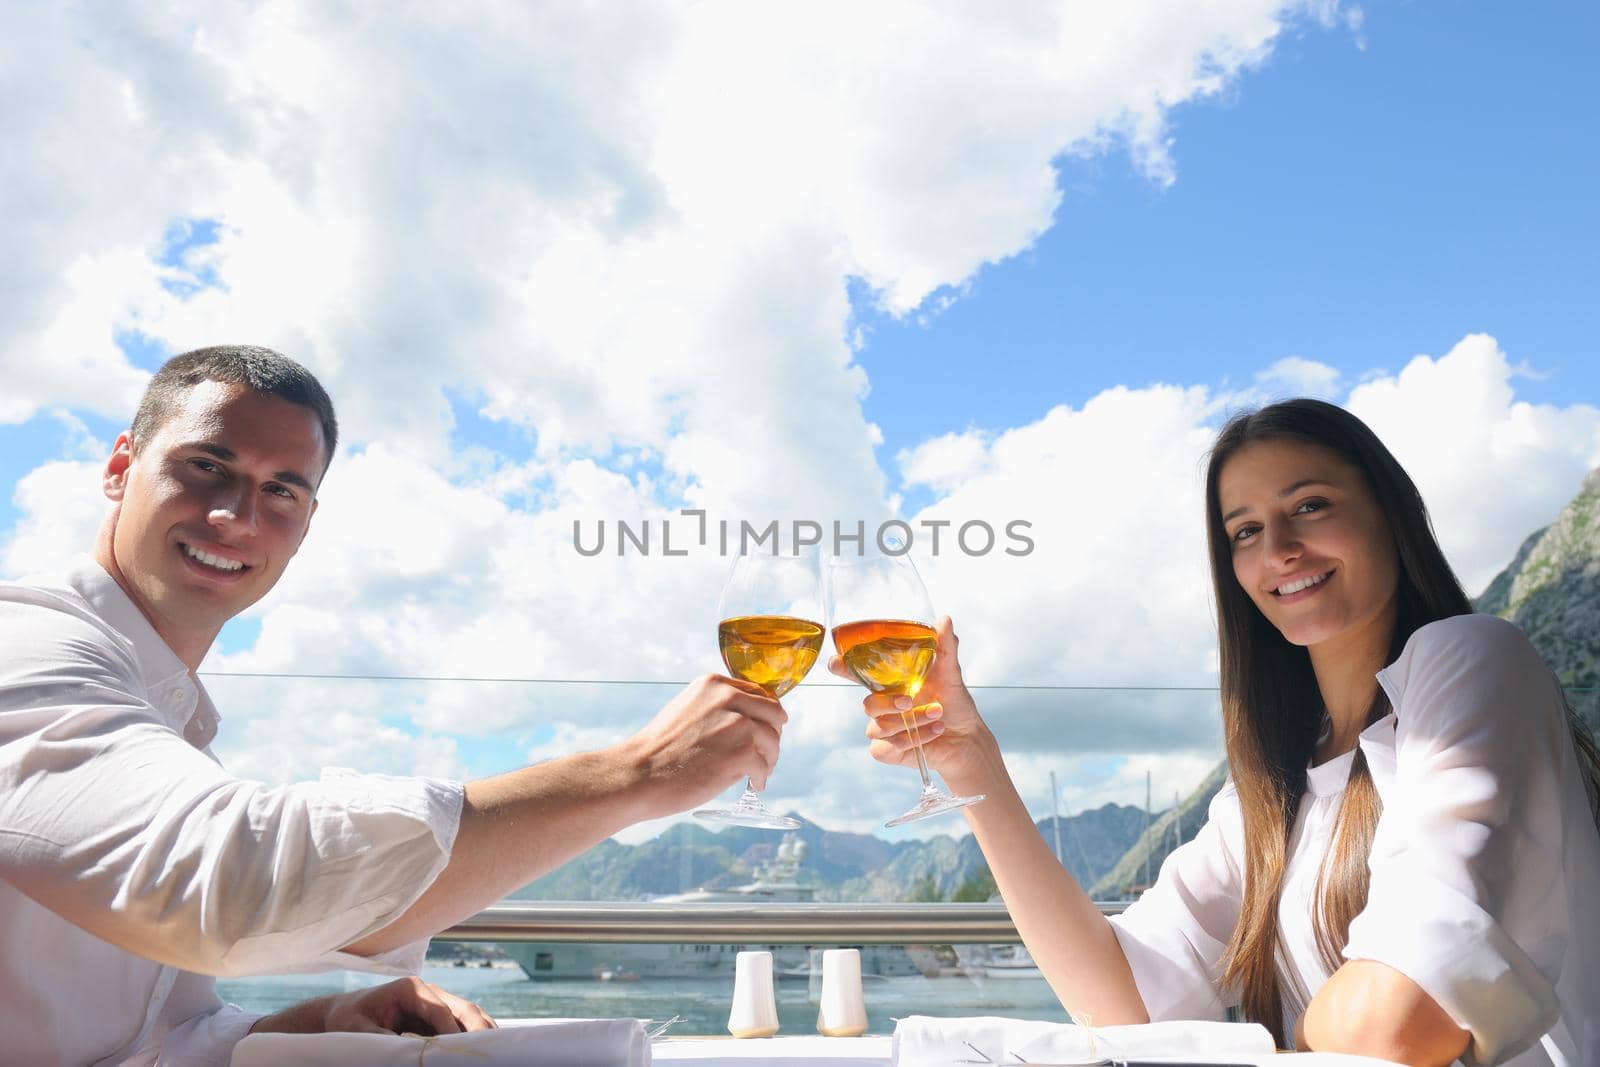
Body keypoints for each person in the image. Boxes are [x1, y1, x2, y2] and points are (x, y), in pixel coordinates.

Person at [0, 346, 789, 1066]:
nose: (238, 515)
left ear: (306, 523)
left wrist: (321, 1017)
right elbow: (224, 879)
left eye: (282, 488)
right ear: (119, 467)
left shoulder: (165, 721)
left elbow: (152, 1039)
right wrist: (637, 773)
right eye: (208, 465)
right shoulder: (25, 642)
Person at [843, 399, 1600, 1066]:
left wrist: (1288, 1037)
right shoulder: (1272, 791)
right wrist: (973, 764)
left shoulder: (1471, 656)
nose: (1278, 550)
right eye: (1245, 530)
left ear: (1389, 512)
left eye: (1309, 505)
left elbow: (1404, 1019)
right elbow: (1120, 1003)